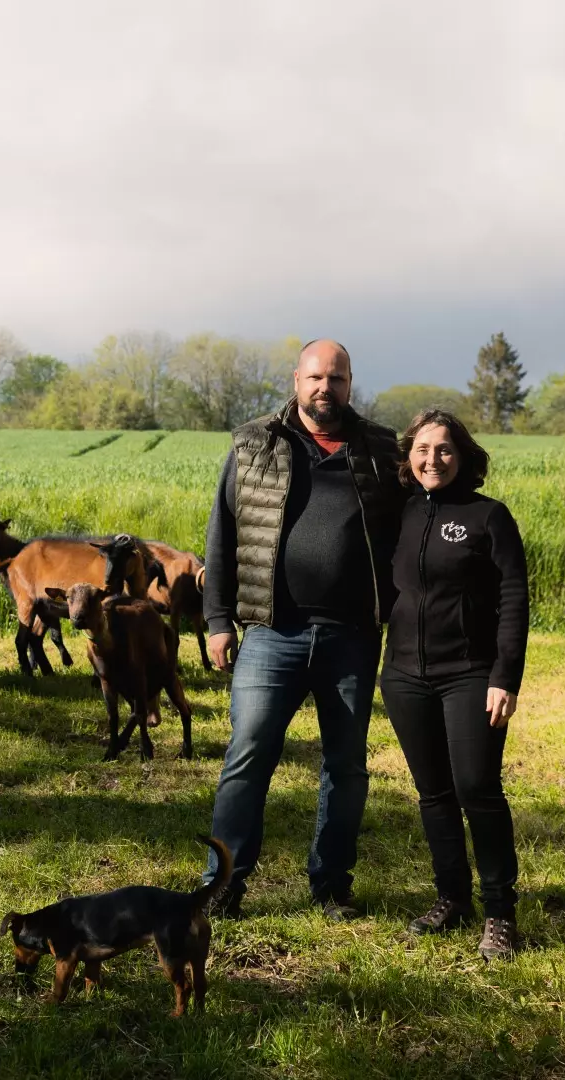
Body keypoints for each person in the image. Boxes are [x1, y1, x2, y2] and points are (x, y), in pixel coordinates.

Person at [200, 339, 404, 919]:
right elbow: (223, 531)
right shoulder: (255, 442)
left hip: (352, 637)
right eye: (315, 378)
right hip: (272, 632)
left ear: (350, 383)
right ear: (296, 380)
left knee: (346, 765)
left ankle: (331, 884)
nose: (325, 389)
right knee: (248, 755)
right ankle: (224, 884)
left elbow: (410, 529)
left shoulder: (380, 449)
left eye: (336, 379)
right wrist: (219, 620)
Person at [378, 408, 529, 960]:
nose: (432, 459)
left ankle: (500, 914)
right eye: (422, 449)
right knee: (433, 793)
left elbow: (514, 598)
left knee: (476, 789)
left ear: (462, 455)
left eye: (443, 449)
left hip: (470, 674)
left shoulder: (489, 516)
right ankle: (451, 899)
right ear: (408, 456)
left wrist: (504, 676)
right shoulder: (399, 513)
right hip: (403, 677)